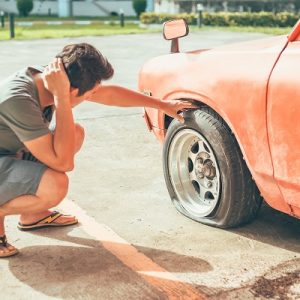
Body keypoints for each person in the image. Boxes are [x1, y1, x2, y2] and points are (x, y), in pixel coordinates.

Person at [0, 43, 195, 257]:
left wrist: (162, 104)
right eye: (88, 94)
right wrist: (62, 100)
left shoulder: (53, 78)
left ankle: (32, 215)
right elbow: (63, 163)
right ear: (71, 90)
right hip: (5, 157)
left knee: (74, 132)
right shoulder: (19, 99)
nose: (90, 97)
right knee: (55, 186)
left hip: (12, 152)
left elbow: (109, 94)